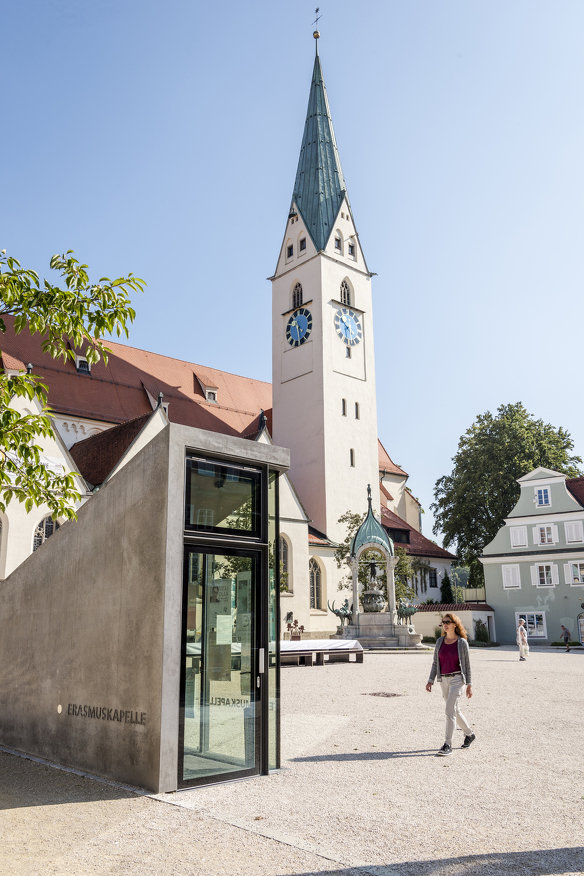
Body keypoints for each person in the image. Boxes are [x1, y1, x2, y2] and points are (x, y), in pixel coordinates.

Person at [426, 612, 475, 756]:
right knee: (455, 710)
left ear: (455, 624)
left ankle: (448, 744)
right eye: (443, 622)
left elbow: (467, 665)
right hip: (444, 679)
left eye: (447, 621)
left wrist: (469, 685)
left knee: (449, 710)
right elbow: (436, 662)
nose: (445, 624)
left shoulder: (461, 643)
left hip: (457, 679)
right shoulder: (440, 641)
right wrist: (430, 680)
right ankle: (469, 734)